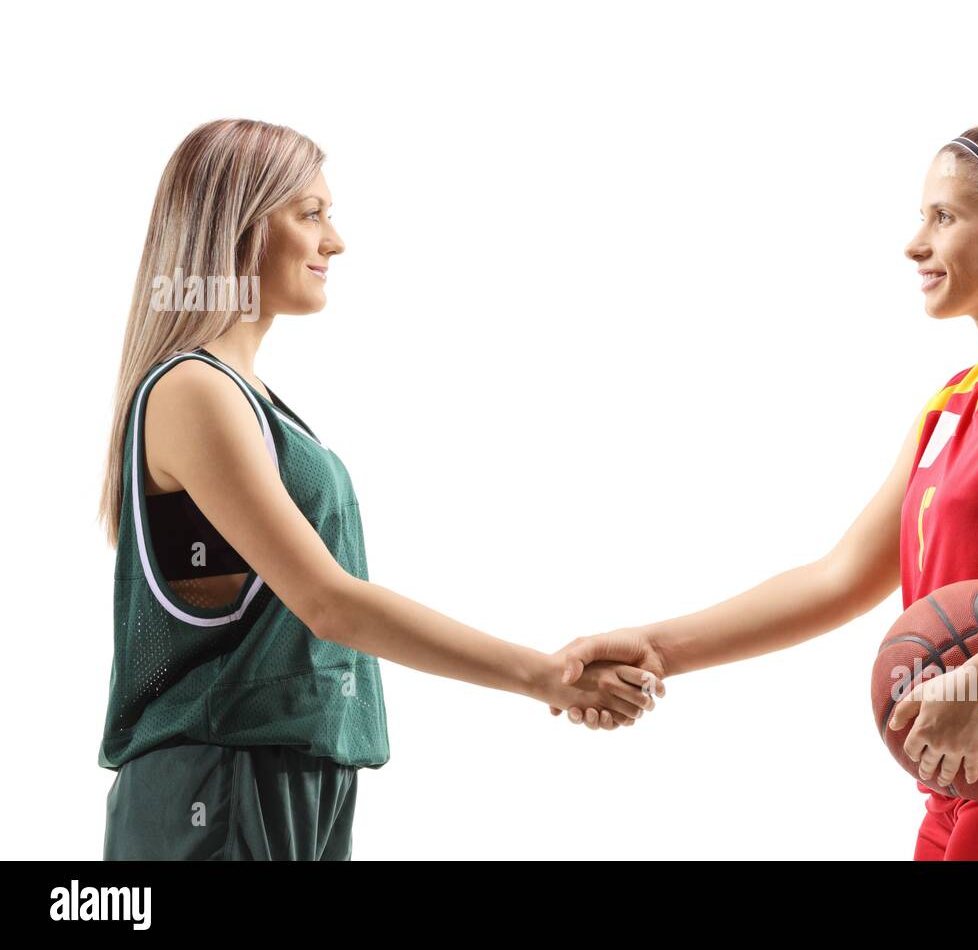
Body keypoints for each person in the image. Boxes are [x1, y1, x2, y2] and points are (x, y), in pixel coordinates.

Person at [553, 121, 978, 860]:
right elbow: (839, 579)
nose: (915, 243)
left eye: (944, 217)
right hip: (963, 786)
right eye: (921, 216)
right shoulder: (952, 403)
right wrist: (657, 647)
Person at [97, 118, 664, 861]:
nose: (335, 241)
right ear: (236, 226)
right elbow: (329, 603)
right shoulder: (191, 390)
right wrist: (544, 675)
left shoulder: (249, 403)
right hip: (221, 777)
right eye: (311, 213)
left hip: (285, 772)